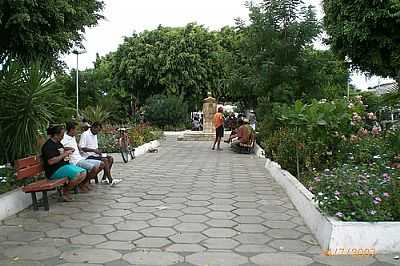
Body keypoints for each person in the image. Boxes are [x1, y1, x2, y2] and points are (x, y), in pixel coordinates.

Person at [41, 125, 86, 201]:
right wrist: (64, 155)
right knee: (77, 175)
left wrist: (67, 150)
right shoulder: (48, 146)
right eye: (61, 135)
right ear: (55, 135)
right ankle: (65, 192)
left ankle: (65, 190)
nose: (62, 137)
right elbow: (51, 161)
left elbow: (60, 150)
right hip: (54, 170)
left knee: (83, 172)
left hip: (63, 166)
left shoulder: (58, 143)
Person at [62, 121, 105, 190]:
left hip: (81, 158)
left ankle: (84, 183)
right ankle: (83, 184)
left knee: (102, 164)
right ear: (71, 130)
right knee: (94, 167)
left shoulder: (73, 137)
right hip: (75, 161)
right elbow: (61, 148)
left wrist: (79, 148)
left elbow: (78, 147)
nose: (78, 131)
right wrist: (68, 149)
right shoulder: (64, 138)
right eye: (76, 129)